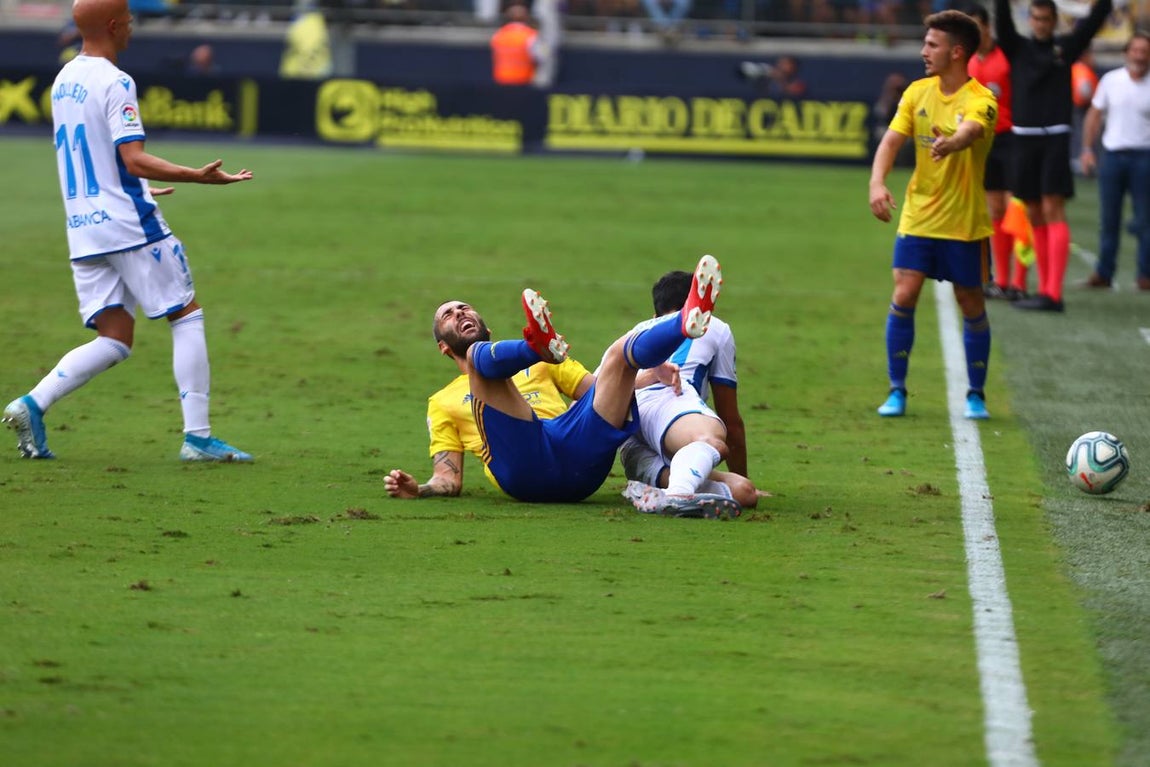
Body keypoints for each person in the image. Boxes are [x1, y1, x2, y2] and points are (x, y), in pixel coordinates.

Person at [2, 0, 254, 462]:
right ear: (116, 25)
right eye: (131, 21)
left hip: (82, 227)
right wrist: (197, 176)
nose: (133, 27)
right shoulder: (116, 81)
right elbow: (132, 157)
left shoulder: (64, 80)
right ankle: (197, 438)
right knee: (186, 315)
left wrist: (133, 184)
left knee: (115, 337)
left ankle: (31, 404)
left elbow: (93, 155)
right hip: (127, 223)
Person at [384, 255, 741, 518]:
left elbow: (599, 391)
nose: (460, 313)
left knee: (620, 354)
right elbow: (448, 478)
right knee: (480, 361)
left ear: (487, 327)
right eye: (448, 315)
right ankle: (532, 345)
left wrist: (648, 374)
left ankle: (685, 320)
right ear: (444, 347)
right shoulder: (442, 401)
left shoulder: (546, 365)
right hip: (523, 469)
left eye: (465, 308)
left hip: (578, 462)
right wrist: (421, 489)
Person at [869, 9, 996, 420]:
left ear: (957, 52)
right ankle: (896, 390)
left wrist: (953, 143)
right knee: (904, 294)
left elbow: (971, 131)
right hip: (919, 216)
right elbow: (890, 142)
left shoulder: (981, 99)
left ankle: (975, 393)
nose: (924, 50)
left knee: (970, 301)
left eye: (932, 44)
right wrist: (877, 182)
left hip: (964, 221)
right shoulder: (916, 92)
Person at [994, 0, 1113, 312]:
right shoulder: (1016, 48)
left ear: (1054, 20)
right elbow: (1002, 18)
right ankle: (1044, 290)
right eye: (1036, 19)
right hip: (1023, 140)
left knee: (1052, 208)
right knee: (1033, 211)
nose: (1041, 24)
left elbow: (1094, 20)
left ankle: (1053, 293)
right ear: (1030, 20)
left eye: (1046, 19)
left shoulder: (1065, 49)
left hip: (1055, 139)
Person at [617, 268, 765, 512]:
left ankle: (662, 489)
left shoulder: (636, 331)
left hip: (634, 447)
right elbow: (731, 419)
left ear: (655, 313)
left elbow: (593, 391)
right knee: (711, 438)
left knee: (744, 492)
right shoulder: (715, 328)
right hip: (672, 404)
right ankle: (678, 494)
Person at [1079, 30, 1150, 291]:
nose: (1140, 56)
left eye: (1144, 51)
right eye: (1136, 50)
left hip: (1145, 157)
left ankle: (1145, 275)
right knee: (1108, 219)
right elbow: (1094, 115)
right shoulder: (1111, 80)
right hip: (1113, 156)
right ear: (1126, 53)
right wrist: (1087, 149)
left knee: (1145, 219)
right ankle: (1104, 273)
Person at [967, 3, 1029, 301]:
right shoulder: (966, 61)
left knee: (1016, 209)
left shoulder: (1008, 55)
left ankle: (1019, 281)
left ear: (988, 27)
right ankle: (1000, 280)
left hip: (1011, 137)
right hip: (985, 143)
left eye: (977, 27)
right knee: (994, 210)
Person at [490, 2, 539, 86]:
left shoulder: (498, 34)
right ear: (526, 18)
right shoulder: (532, 35)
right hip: (524, 81)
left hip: (502, 80)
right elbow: (540, 57)